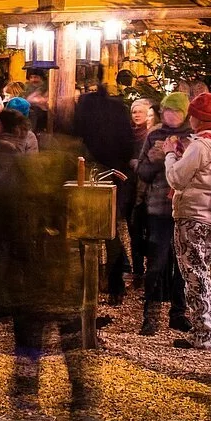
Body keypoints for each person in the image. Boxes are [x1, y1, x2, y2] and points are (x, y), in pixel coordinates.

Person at [0, 137, 117, 421]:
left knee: (27, 375)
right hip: (69, 298)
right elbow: (95, 239)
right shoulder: (73, 193)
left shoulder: (16, 192)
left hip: (28, 300)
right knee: (82, 381)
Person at [167, 93, 211, 350]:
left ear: (197, 118)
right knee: (203, 272)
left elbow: (176, 179)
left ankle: (203, 333)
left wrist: (170, 155)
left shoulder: (201, 146)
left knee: (193, 275)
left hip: (191, 215)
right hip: (209, 216)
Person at [72, 65, 136, 305]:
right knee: (110, 230)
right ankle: (115, 284)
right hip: (115, 172)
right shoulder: (118, 108)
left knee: (85, 228)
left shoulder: (85, 107)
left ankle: (88, 281)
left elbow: (78, 135)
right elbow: (127, 142)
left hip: (91, 170)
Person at [132, 92, 193, 335]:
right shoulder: (154, 135)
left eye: (175, 112)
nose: (170, 116)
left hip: (185, 207)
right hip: (158, 208)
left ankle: (178, 312)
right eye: (167, 112)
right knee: (156, 264)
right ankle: (150, 315)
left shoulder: (193, 137)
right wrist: (154, 160)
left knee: (182, 264)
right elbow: (143, 172)